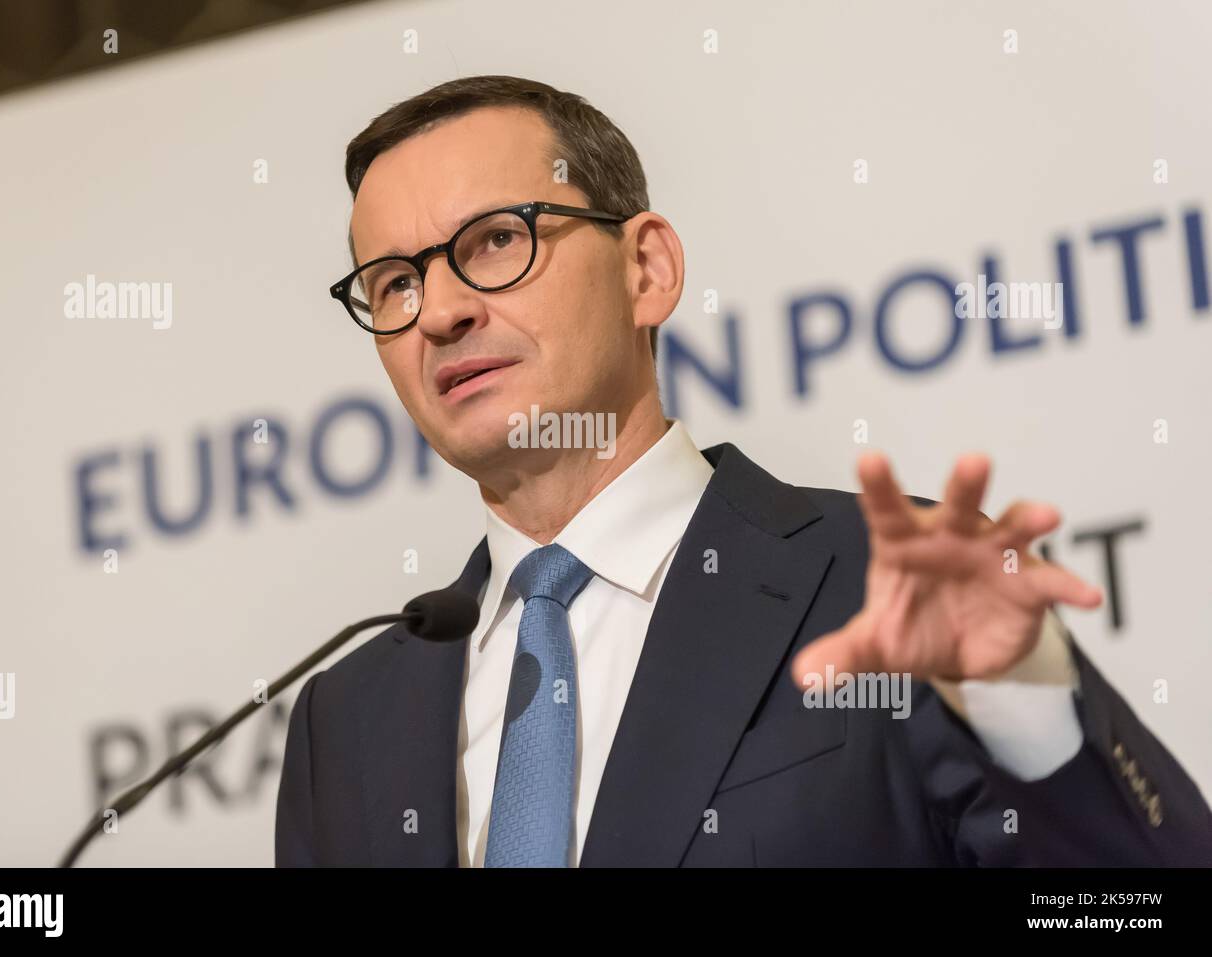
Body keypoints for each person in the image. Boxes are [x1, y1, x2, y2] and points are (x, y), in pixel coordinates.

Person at [275, 75, 1212, 867]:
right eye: (395, 282)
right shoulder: (346, 721)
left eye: (493, 241)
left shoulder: (887, 581)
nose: (438, 309)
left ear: (648, 268)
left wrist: (1031, 715)